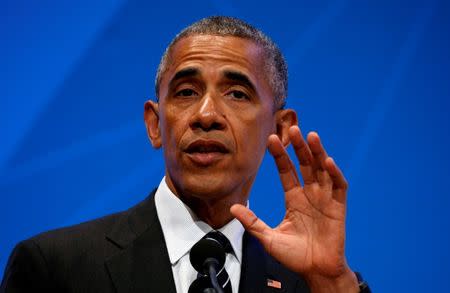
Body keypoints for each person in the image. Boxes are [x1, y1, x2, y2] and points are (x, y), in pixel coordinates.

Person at [1, 16, 370, 293]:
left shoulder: (314, 281)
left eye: (237, 94)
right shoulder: (56, 268)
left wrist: (332, 283)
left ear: (279, 128)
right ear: (155, 124)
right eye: (186, 92)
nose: (206, 115)